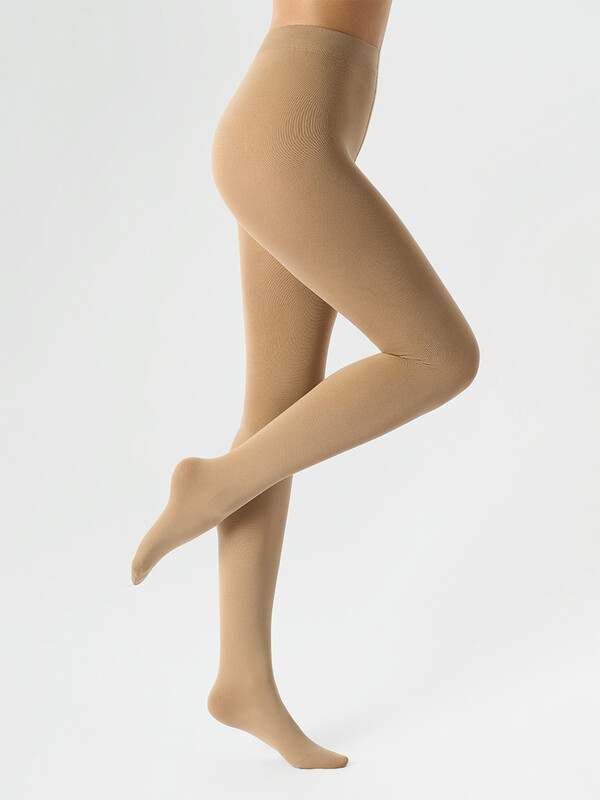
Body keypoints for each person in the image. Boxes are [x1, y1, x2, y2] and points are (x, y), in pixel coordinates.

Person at [131, 0, 480, 769]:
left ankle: (242, 678)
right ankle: (213, 484)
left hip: (301, 125)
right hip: (289, 137)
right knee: (440, 356)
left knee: (277, 405)